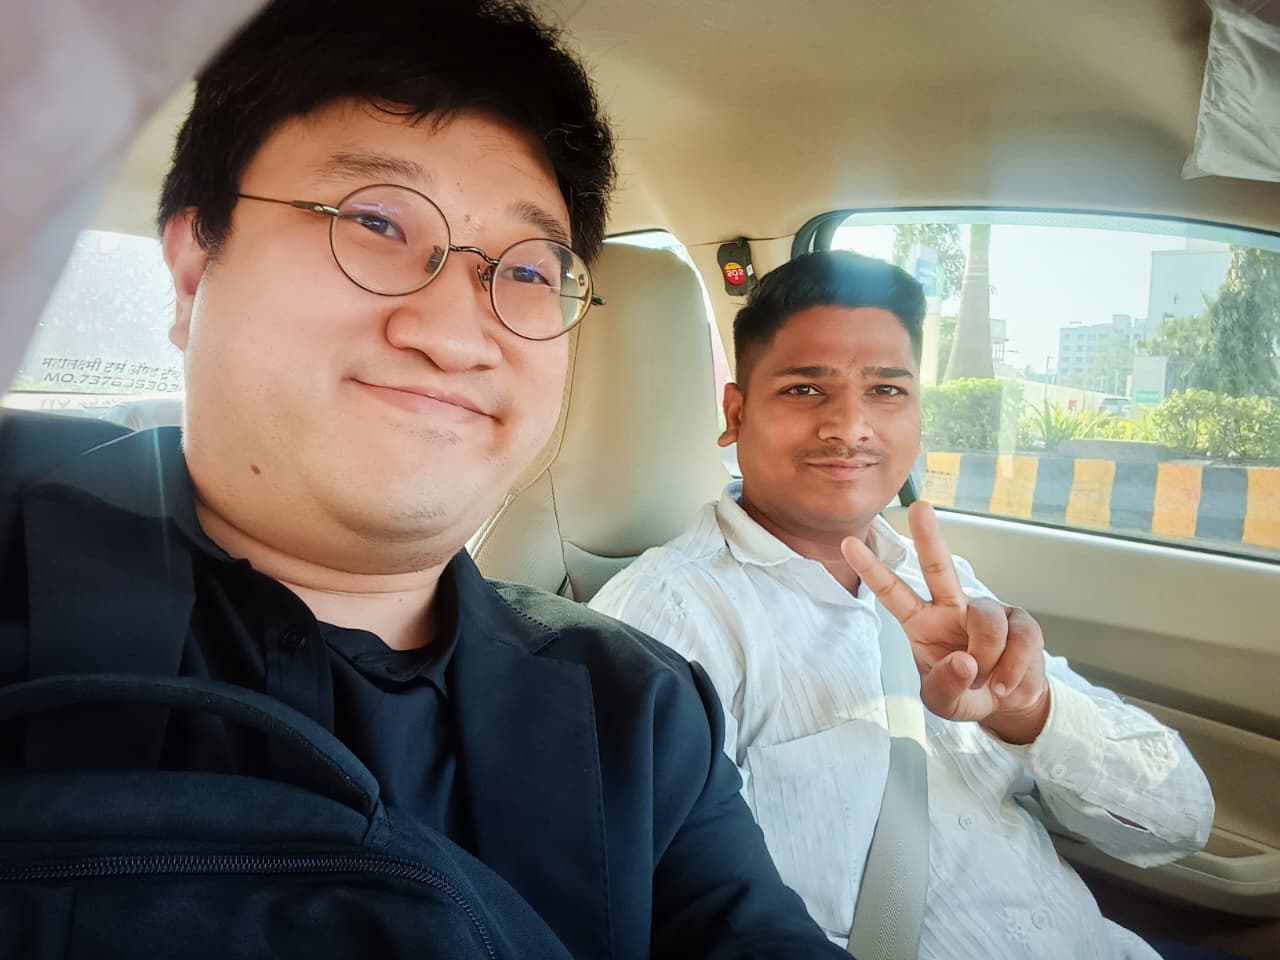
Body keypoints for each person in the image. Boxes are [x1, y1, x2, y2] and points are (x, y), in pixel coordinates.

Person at [0, 2, 845, 957]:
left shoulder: (640, 713)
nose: (452, 335)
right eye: (374, 221)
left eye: (529, 272)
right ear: (195, 270)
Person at [591, 250, 1217, 959]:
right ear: (736, 413)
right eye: (804, 389)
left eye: (886, 390)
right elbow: (641, 912)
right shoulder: (666, 620)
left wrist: (1030, 713)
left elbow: (1181, 820)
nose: (850, 426)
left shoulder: (942, 583)